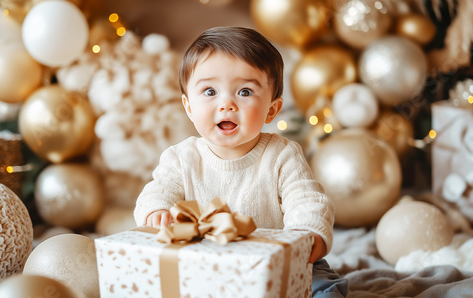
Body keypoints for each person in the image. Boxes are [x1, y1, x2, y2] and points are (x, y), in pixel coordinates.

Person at [134, 26, 348, 297]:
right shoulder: (181, 158)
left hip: (276, 261)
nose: (226, 104)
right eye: (210, 92)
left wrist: (305, 235)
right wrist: (156, 211)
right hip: (206, 262)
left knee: (321, 285)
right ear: (189, 107)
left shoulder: (282, 154)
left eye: (245, 92)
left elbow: (307, 200)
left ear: (272, 109)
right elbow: (157, 191)